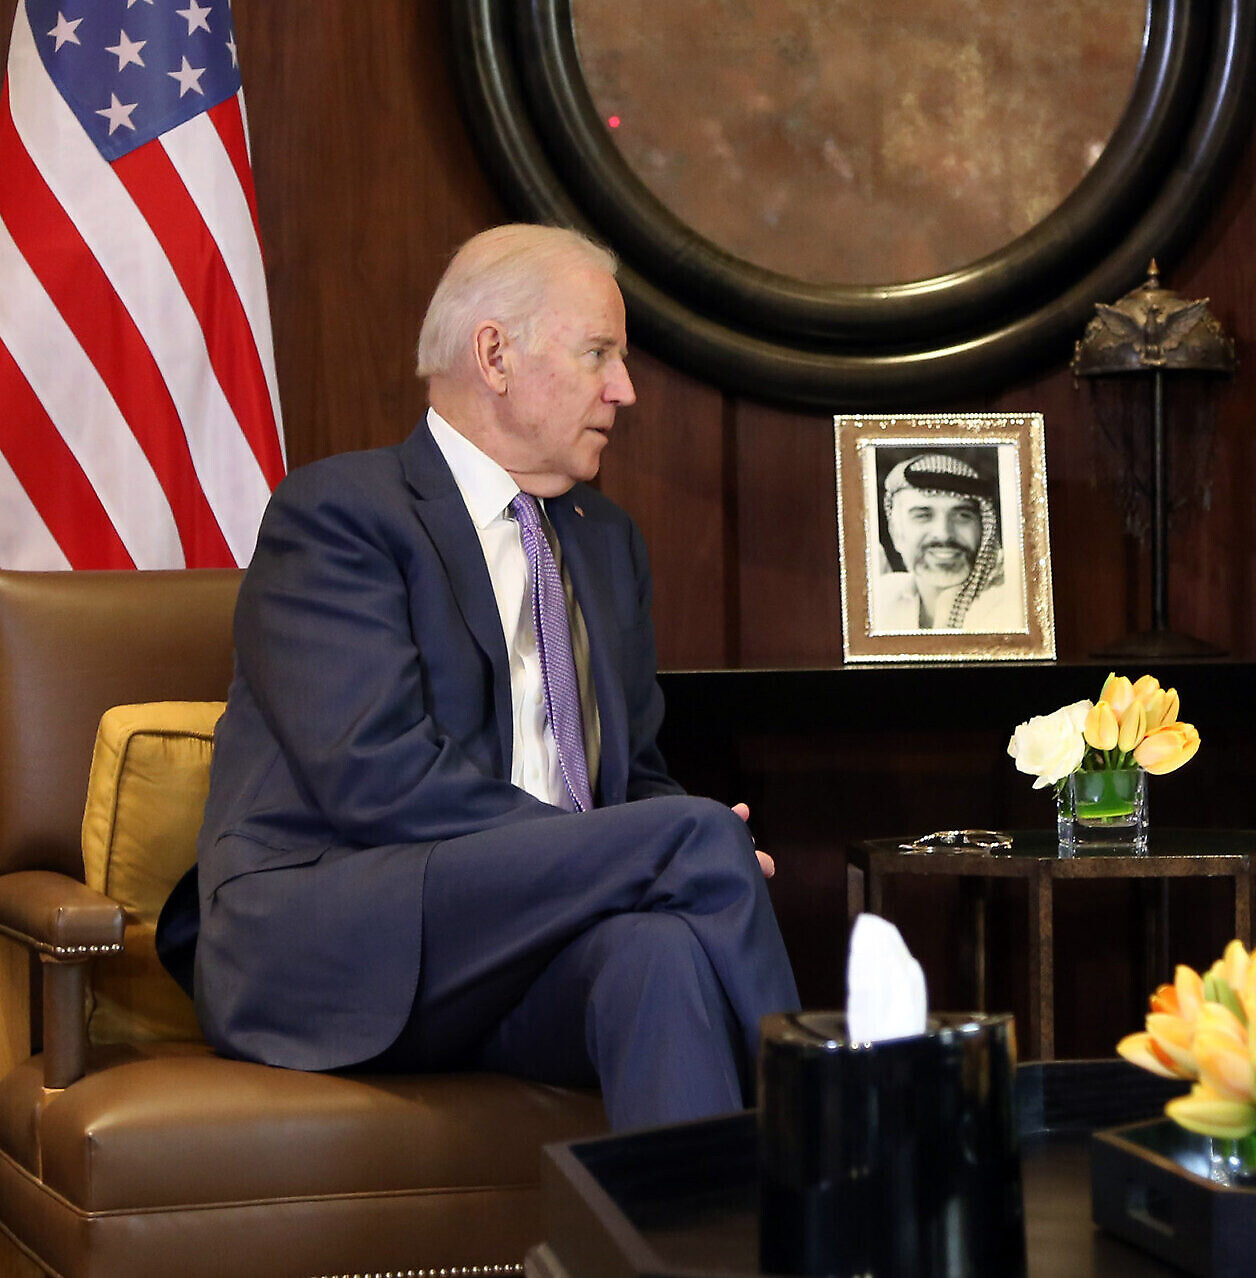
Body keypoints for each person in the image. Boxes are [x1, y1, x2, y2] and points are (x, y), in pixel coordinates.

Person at [157, 224, 800, 1129]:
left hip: (535, 948)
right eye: (598, 355)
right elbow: (378, 781)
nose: (624, 389)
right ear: (494, 354)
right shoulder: (340, 515)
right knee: (691, 843)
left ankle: (699, 1250)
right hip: (349, 942)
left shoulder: (606, 542)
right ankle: (842, 1160)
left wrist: (644, 841)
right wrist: (635, 850)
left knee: (660, 955)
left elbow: (636, 778)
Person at [870, 450, 1024, 632]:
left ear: (983, 529)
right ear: (896, 533)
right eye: (923, 516)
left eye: (962, 515)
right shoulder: (880, 599)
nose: (944, 534)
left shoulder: (1013, 604)